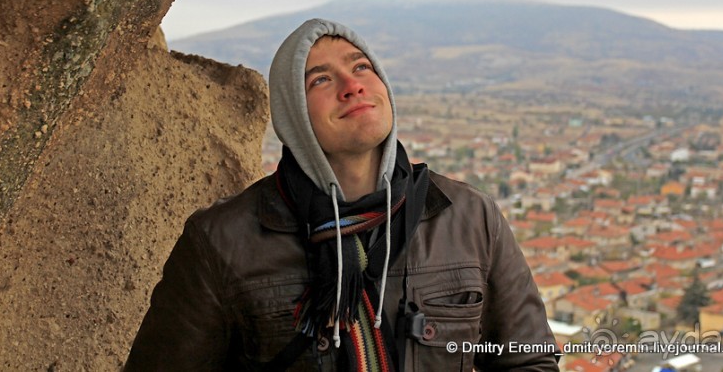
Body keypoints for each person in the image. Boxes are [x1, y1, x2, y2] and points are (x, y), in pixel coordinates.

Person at [125, 19, 559, 371]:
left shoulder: (468, 217)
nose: (351, 86)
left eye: (361, 68)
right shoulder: (222, 242)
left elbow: (529, 361)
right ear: (293, 114)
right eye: (320, 80)